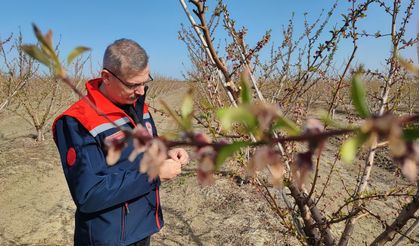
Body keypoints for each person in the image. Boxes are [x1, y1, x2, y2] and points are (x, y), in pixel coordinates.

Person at [53, 39, 189, 246]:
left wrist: (167, 153)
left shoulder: (138, 106)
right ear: (106, 77)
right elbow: (88, 194)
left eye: (145, 82)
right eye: (133, 84)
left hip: (141, 226)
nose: (141, 91)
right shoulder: (78, 121)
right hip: (109, 237)